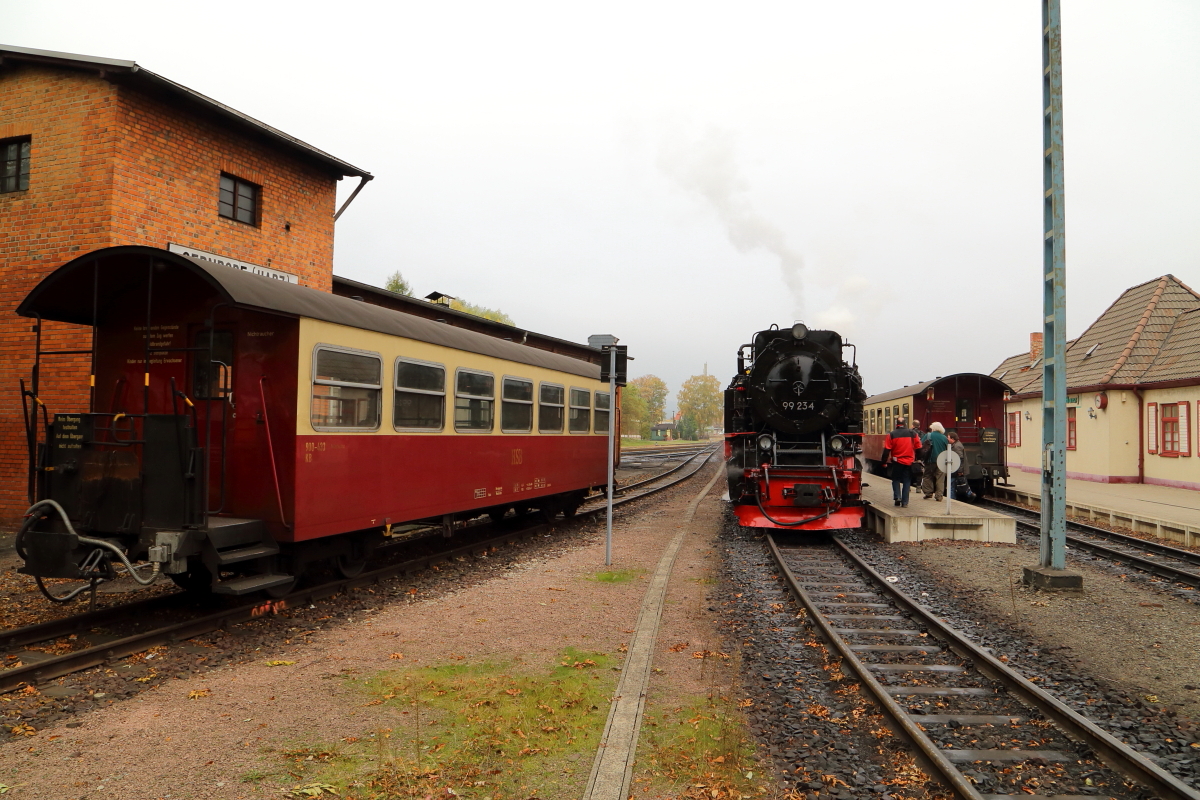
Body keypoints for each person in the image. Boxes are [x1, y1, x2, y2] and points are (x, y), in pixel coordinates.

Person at [880, 417, 921, 508]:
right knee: (907, 481)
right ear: (905, 424)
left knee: (896, 479)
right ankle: (905, 502)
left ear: (896, 424)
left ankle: (897, 497)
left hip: (896, 461)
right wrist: (918, 459)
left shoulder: (891, 434)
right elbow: (919, 447)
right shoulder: (913, 433)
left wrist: (883, 462)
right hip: (909, 461)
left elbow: (886, 450)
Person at [921, 421, 949, 500]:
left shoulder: (928, 435)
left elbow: (921, 445)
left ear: (933, 428)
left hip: (930, 460)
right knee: (940, 479)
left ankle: (928, 493)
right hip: (941, 461)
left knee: (927, 476)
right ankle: (939, 496)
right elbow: (948, 449)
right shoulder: (944, 438)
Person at [947, 431, 970, 500]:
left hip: (956, 470)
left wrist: (960, 471)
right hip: (955, 469)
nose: (947, 439)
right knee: (953, 485)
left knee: (951, 485)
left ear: (952, 439)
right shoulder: (956, 445)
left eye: (948, 437)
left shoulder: (957, 446)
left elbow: (960, 459)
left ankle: (952, 500)